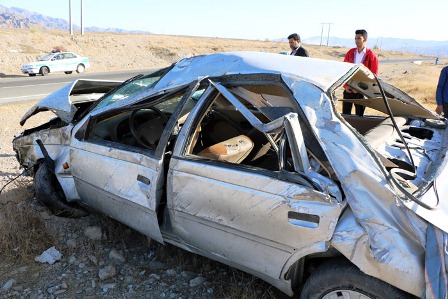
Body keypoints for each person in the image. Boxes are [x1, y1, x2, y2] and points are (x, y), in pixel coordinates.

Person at [342, 29, 378, 116]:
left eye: (359, 38)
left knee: (359, 116)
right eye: (355, 38)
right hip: (348, 90)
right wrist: (346, 86)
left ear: (365, 39)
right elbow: (343, 70)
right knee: (345, 116)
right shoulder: (350, 53)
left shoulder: (371, 56)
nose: (356, 41)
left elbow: (373, 76)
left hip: (361, 92)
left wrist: (360, 89)